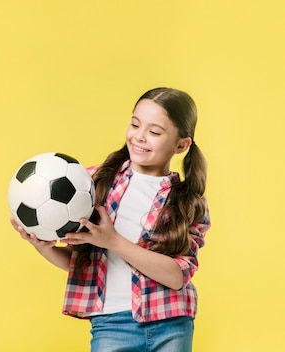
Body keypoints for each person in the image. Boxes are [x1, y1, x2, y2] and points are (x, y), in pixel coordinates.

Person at [11, 87, 211, 352]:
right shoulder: (92, 184)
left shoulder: (189, 202)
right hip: (111, 325)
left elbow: (177, 277)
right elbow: (82, 265)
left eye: (154, 132)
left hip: (172, 322)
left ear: (181, 145)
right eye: (135, 124)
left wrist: (113, 240)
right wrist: (42, 246)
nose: (139, 137)